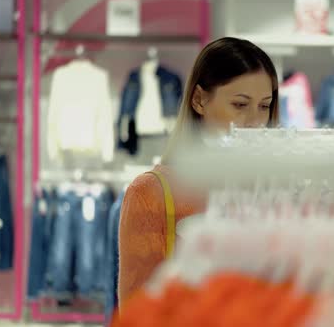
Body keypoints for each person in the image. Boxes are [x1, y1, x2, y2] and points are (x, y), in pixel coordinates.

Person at [118, 37, 279, 305]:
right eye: (240, 104)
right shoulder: (150, 194)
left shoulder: (275, 190)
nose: (255, 121)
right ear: (199, 100)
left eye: (265, 106)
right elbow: (137, 313)